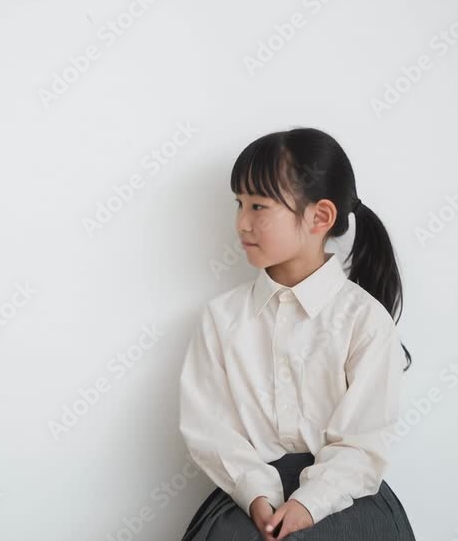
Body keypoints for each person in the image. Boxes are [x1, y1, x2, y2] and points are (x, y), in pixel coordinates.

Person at [178, 127, 416, 540]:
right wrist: (255, 493)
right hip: (248, 498)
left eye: (258, 206)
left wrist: (311, 502)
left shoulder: (364, 320)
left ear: (319, 217)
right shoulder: (222, 317)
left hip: (344, 498)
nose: (241, 223)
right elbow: (209, 428)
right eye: (239, 204)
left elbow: (364, 439)